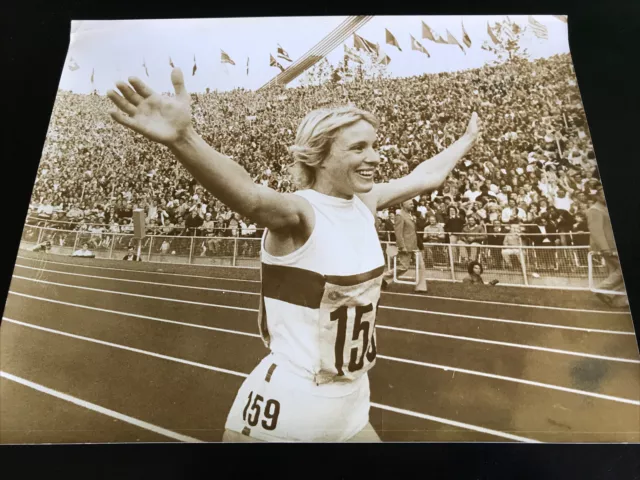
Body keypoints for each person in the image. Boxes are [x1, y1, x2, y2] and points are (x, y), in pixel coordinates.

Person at [107, 69, 479, 442]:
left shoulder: (366, 201)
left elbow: (427, 175)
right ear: (319, 156)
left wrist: (466, 140)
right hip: (289, 405)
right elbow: (249, 195)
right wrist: (185, 138)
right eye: (358, 148)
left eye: (374, 145)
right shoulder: (299, 214)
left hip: (351, 399)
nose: (375, 157)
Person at [586, 188, 628, 308]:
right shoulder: (594, 210)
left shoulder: (605, 208)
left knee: (615, 272)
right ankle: (601, 289)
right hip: (609, 247)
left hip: (613, 245)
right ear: (598, 197)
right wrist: (605, 249)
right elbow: (596, 231)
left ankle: (616, 299)